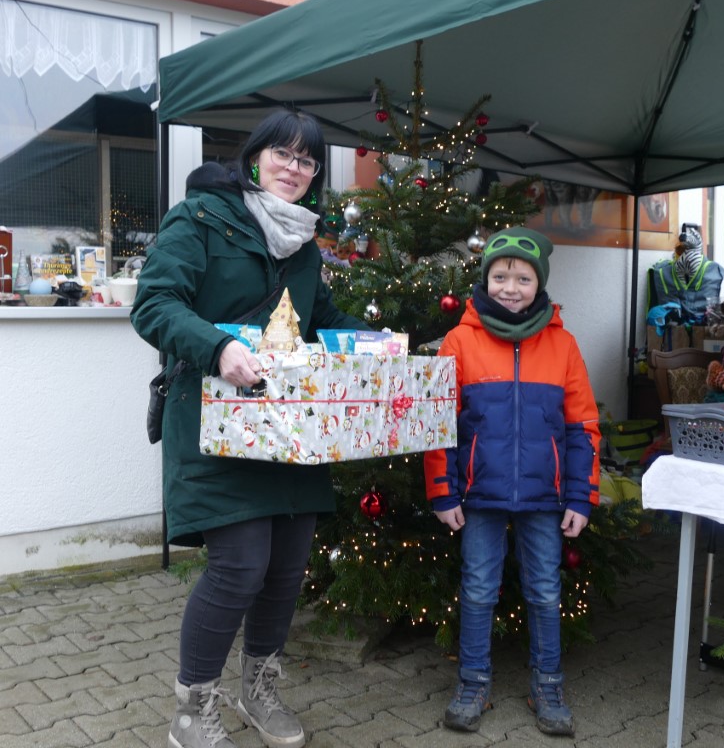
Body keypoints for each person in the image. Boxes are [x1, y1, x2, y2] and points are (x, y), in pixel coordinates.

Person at [131, 108, 366, 748]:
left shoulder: (304, 243)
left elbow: (321, 320)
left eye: (307, 160)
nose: (294, 167)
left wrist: (383, 345)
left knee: (286, 570)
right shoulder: (200, 218)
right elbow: (154, 303)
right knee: (239, 567)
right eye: (282, 154)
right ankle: (192, 709)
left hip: (291, 428)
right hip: (216, 423)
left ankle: (258, 690)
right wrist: (218, 348)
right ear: (255, 158)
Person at [423, 227, 601, 736]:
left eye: (523, 278)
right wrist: (443, 490)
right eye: (500, 276)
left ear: (539, 283)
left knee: (544, 590)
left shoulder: (563, 345)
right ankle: (473, 682)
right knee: (479, 589)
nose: (510, 287)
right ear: (486, 279)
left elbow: (582, 426)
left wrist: (581, 496)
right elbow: (438, 421)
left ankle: (548, 684)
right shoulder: (460, 341)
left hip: (545, 498)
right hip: (480, 495)